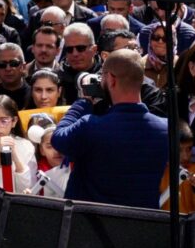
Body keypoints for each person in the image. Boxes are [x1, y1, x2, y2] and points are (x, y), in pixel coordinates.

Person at [44, 48, 169, 208]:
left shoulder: (90, 125)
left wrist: (84, 101)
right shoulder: (165, 129)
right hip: (140, 224)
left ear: (111, 79)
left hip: (90, 223)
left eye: (102, 76)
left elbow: (58, 138)